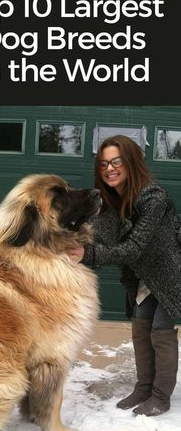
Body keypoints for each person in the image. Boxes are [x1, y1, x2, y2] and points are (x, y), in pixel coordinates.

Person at [70, 134, 181, 416]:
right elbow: (96, 235)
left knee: (160, 332)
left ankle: (160, 396)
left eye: (117, 161)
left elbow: (133, 247)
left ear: (131, 162)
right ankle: (144, 388)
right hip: (145, 277)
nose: (109, 168)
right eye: (104, 163)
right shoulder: (113, 203)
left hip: (172, 275)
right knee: (141, 331)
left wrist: (89, 256)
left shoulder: (153, 197)